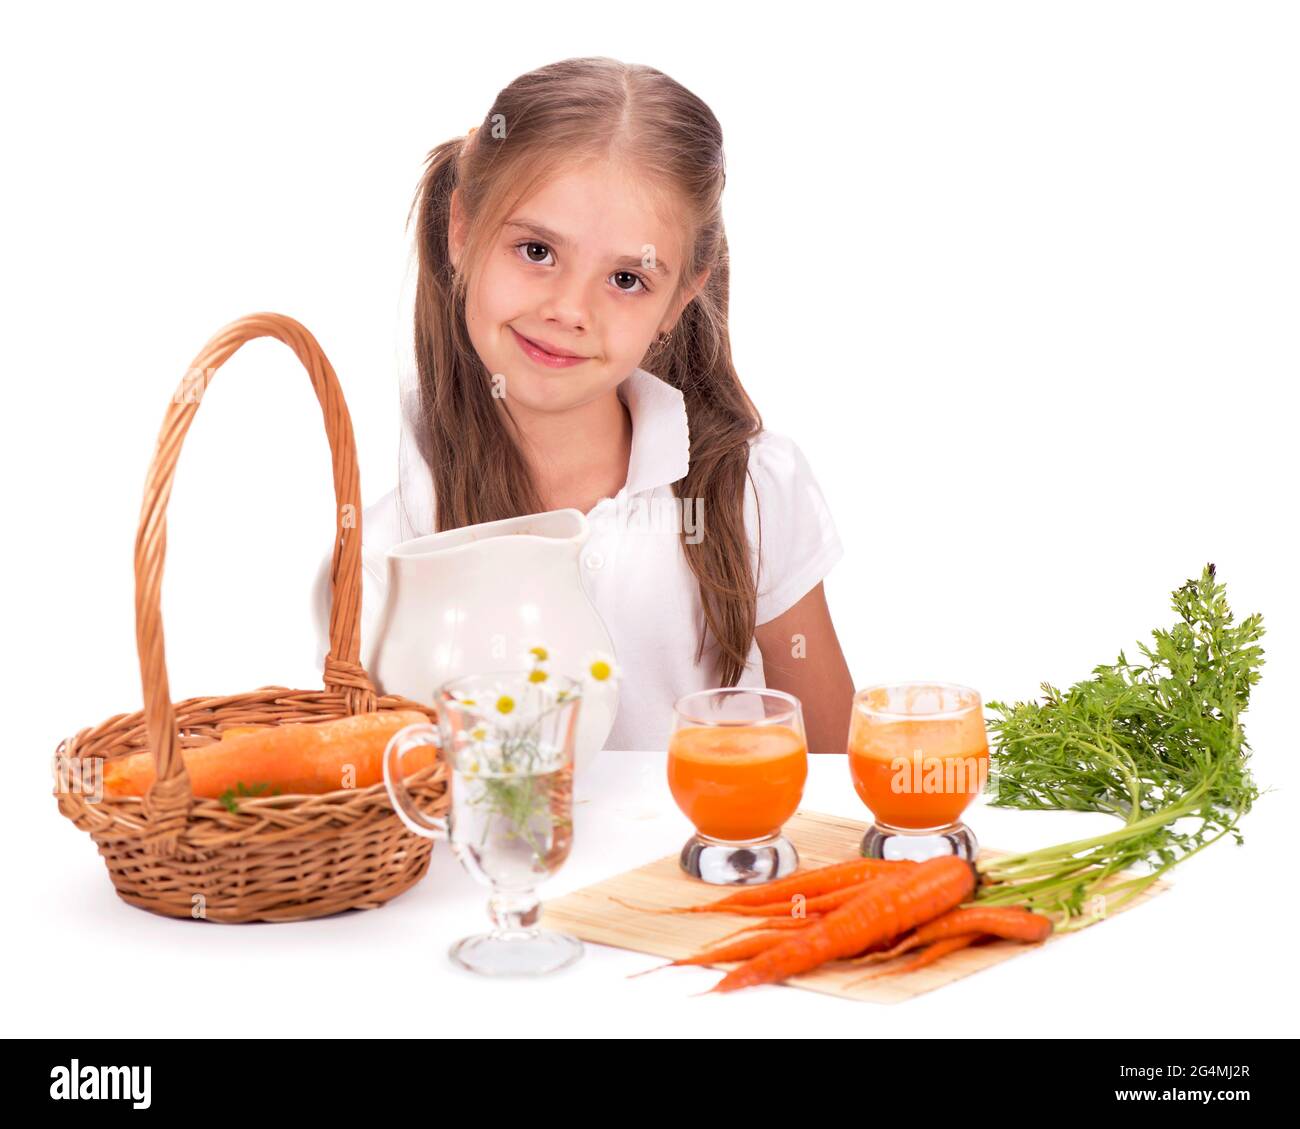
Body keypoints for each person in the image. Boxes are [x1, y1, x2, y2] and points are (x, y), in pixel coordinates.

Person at [313, 56, 855, 753]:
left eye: (626, 278)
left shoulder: (753, 490)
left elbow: (835, 773)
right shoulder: (387, 549)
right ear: (461, 230)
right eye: (536, 250)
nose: (569, 309)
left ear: (679, 299)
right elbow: (377, 811)